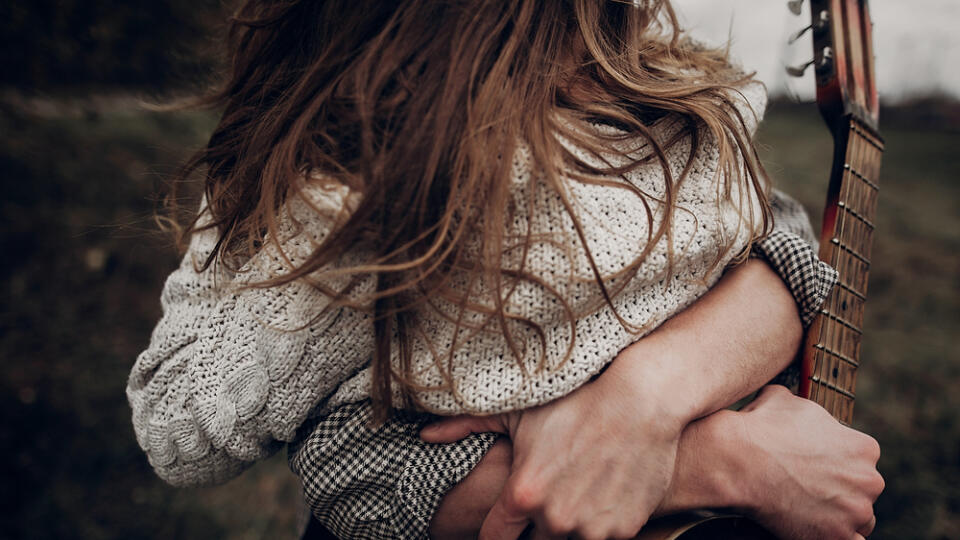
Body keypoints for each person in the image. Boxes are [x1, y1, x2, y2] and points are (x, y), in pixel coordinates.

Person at [126, 0, 883, 538]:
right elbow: (326, 455)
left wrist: (646, 395)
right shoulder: (372, 184)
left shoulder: (672, 101)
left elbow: (780, 241)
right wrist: (719, 465)